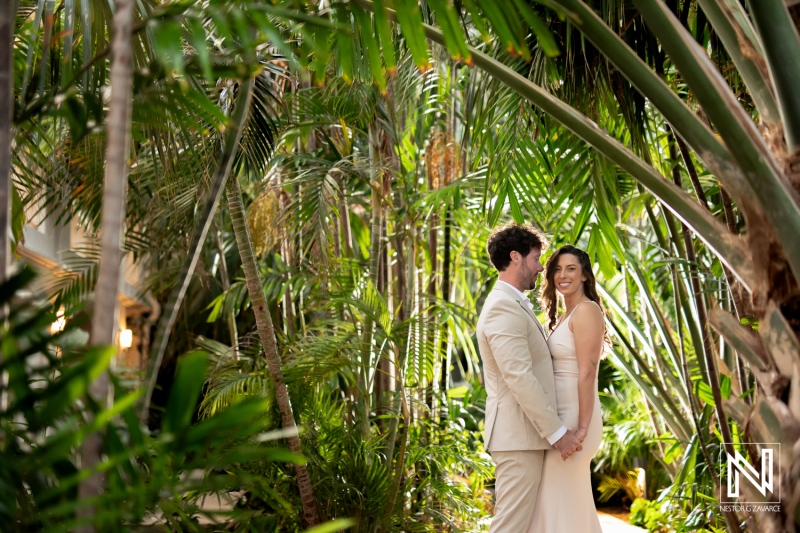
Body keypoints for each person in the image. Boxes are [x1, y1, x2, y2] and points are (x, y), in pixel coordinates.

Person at [476, 223, 582, 532]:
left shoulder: (511, 304)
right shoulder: (502, 308)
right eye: (536, 258)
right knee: (510, 525)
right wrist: (558, 433)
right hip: (517, 438)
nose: (540, 268)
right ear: (516, 257)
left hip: (522, 436)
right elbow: (519, 377)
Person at [528, 244, 606, 532]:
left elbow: (587, 373)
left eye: (571, 268)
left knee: (560, 498)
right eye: (557, 269)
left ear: (584, 275)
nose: (563, 275)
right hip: (561, 417)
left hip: (575, 417)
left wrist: (581, 428)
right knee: (562, 499)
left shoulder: (586, 311)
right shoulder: (567, 314)